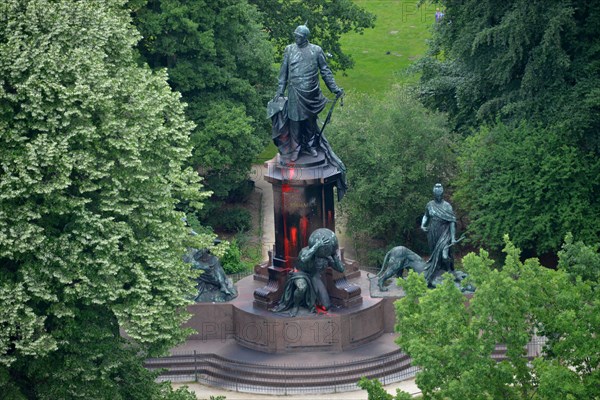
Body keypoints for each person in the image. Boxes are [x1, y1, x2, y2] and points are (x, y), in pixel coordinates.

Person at [271, 24, 344, 162]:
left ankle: (311, 146)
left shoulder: (316, 50)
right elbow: (283, 72)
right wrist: (280, 90)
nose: (296, 38)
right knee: (295, 121)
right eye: (295, 35)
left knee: (310, 121)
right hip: (294, 91)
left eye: (299, 36)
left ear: (305, 37)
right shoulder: (289, 50)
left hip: (311, 93)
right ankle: (295, 149)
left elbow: (325, 71)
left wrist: (334, 88)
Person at [273, 229, 345, 316]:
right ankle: (296, 305)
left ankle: (315, 300)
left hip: (314, 276)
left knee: (326, 306)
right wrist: (316, 246)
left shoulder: (325, 256)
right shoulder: (306, 251)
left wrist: (334, 254)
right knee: (302, 287)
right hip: (300, 273)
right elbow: (304, 259)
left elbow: (341, 269)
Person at [421, 183, 457, 286]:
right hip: (433, 232)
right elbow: (426, 216)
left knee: (445, 255)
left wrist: (453, 238)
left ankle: (450, 270)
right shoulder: (430, 204)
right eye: (436, 195)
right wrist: (423, 225)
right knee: (434, 253)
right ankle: (436, 273)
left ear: (442, 195)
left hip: (444, 233)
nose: (438, 197)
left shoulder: (447, 206)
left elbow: (452, 222)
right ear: (434, 195)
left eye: (439, 195)